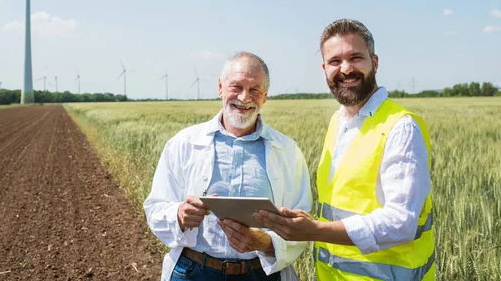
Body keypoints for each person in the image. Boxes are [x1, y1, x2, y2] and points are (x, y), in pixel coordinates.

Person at [255, 19, 435, 280]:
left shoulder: (400, 127)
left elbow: (401, 223)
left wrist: (313, 230)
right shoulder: (338, 121)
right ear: (324, 68)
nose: (346, 69)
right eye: (335, 61)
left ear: (374, 62)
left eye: (356, 57)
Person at [144, 52, 312, 281]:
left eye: (255, 89)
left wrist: (266, 242)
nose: (244, 98)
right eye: (236, 87)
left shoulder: (288, 151)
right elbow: (155, 207)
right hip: (194, 271)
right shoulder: (182, 143)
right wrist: (179, 215)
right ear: (220, 88)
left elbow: (303, 223)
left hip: (262, 274)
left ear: (265, 97)